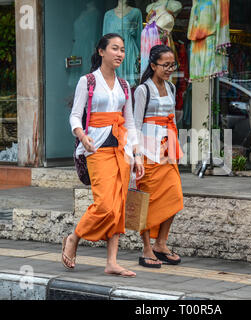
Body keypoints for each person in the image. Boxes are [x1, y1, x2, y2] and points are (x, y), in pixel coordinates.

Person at [63, 33, 144, 278]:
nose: (119, 53)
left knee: (118, 206)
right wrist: (81, 135)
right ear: (101, 52)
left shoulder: (124, 86)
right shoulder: (87, 81)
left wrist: (137, 154)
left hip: (120, 150)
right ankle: (75, 236)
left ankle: (112, 262)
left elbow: (129, 122)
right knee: (105, 206)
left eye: (122, 50)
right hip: (95, 149)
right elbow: (75, 115)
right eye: (114, 49)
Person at [134, 45, 184, 268]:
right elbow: (135, 125)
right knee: (147, 201)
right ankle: (146, 248)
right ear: (153, 65)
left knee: (174, 197)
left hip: (167, 151)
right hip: (146, 152)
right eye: (165, 65)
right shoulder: (143, 90)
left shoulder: (171, 87)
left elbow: (172, 119)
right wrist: (135, 155)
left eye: (172, 65)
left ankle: (161, 244)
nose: (169, 69)